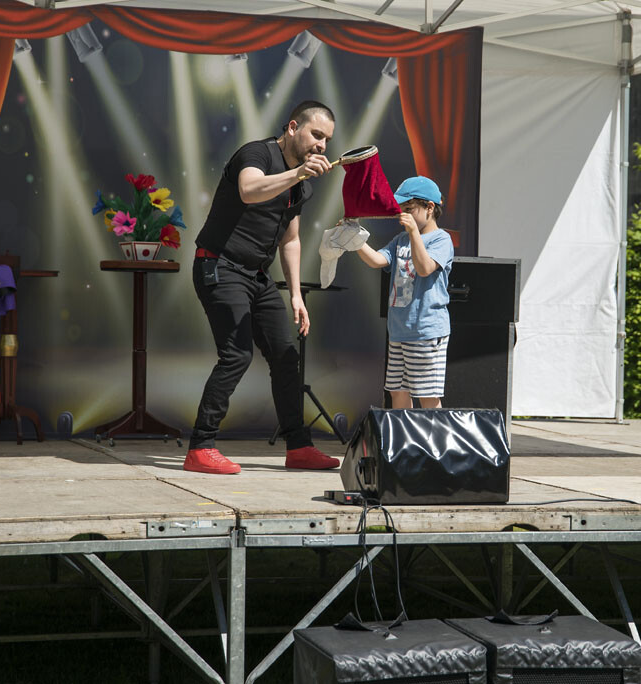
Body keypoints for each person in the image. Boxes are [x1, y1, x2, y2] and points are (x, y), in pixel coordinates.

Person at [184, 101, 341, 475]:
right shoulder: (257, 154)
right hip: (218, 264)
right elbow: (249, 190)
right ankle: (200, 447)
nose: (321, 145)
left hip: (257, 276)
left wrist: (296, 295)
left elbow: (291, 239)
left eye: (327, 140)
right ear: (293, 127)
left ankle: (298, 447)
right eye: (316, 135)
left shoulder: (300, 187)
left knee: (286, 356)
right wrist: (298, 173)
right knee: (236, 354)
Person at [354, 176, 454, 409]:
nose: (403, 215)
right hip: (399, 330)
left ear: (430, 207)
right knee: (397, 392)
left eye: (409, 209)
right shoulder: (400, 240)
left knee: (427, 395)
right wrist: (354, 239)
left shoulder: (441, 239)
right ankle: (404, 434)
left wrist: (414, 233)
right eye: (402, 210)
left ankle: (433, 435)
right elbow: (377, 260)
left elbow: (425, 268)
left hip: (426, 330)